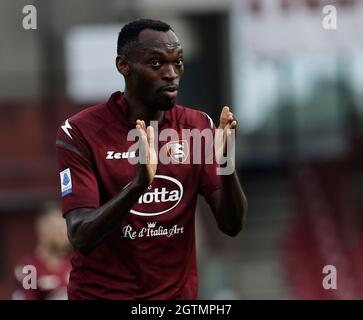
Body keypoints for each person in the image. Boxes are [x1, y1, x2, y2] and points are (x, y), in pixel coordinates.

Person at [56, 18, 247, 300]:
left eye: (178, 62)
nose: (171, 74)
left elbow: (232, 225)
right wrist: (139, 184)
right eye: (156, 63)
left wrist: (227, 164)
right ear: (124, 66)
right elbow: (81, 236)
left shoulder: (197, 127)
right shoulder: (79, 132)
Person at [13, 203, 71, 300]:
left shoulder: (76, 263)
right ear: (42, 231)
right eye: (58, 229)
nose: (64, 234)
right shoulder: (29, 269)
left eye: (65, 228)